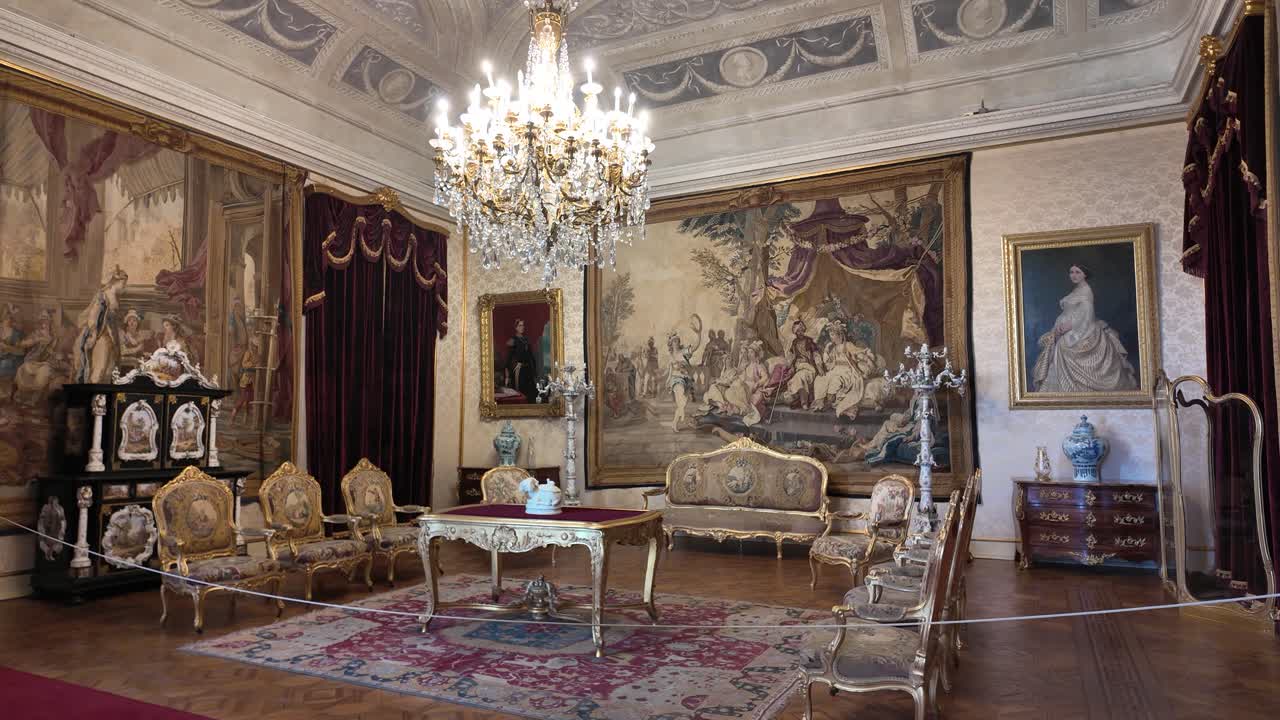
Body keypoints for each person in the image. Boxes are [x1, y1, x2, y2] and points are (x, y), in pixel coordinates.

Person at [1032, 264, 1139, 392]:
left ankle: (1074, 390)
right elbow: (1073, 312)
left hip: (1082, 329)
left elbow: (1087, 315)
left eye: (1078, 272)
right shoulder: (1077, 289)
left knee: (1063, 347)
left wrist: (1069, 326)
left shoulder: (1086, 291)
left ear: (1085, 275)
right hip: (1068, 327)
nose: (1074, 275)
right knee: (1055, 346)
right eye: (1071, 272)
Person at [73, 266, 127, 383]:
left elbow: (114, 320)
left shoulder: (116, 298)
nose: (124, 286)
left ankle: (102, 398)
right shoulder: (102, 295)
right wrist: (93, 335)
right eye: (123, 282)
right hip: (101, 335)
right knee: (100, 368)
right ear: (116, 282)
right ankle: (91, 397)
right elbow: (93, 315)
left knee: (110, 369)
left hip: (112, 336)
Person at [783, 319, 824, 408]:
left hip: (809, 367)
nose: (800, 333)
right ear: (795, 332)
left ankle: (803, 402)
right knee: (797, 378)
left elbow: (816, 355)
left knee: (801, 377)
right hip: (799, 368)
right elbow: (791, 356)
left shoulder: (809, 341)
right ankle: (801, 401)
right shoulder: (794, 342)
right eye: (798, 331)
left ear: (804, 330)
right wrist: (787, 364)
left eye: (801, 330)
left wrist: (819, 367)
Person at [503, 318, 537, 402]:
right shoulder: (513, 340)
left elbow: (531, 356)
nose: (522, 327)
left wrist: (534, 371)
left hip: (528, 369)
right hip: (519, 370)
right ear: (516, 327)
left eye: (523, 325)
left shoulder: (526, 340)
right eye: (520, 325)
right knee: (521, 392)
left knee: (531, 392)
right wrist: (507, 376)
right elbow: (509, 358)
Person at [0, 305, 25, 380]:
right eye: (6, 317)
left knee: (5, 364)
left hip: (11, 360)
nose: (8, 319)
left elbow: (21, 352)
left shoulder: (15, 333)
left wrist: (7, 347)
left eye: (10, 317)